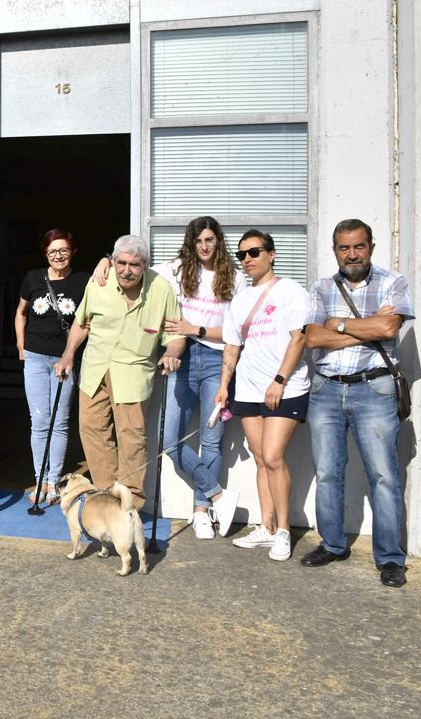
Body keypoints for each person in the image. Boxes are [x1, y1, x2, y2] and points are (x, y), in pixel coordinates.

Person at [96, 217, 245, 537]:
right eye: (198, 241)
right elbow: (133, 263)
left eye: (209, 240)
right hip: (183, 357)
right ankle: (218, 494)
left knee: (211, 441)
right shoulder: (174, 270)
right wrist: (105, 261)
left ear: (218, 241)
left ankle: (202, 510)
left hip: (218, 361)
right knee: (169, 441)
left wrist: (198, 329)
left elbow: (236, 333)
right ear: (191, 244)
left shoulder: (233, 279)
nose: (204, 247)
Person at [301, 219, 414, 587]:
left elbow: (388, 330)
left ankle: (391, 559)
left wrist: (338, 324)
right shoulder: (320, 288)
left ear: (371, 246)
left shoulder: (392, 282)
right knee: (327, 472)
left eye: (359, 246)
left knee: (383, 476)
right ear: (335, 250)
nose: (352, 254)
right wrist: (361, 327)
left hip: (375, 390)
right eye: (344, 248)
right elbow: (313, 339)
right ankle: (332, 544)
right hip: (327, 390)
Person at [59, 235, 183, 511]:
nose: (127, 270)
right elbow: (81, 324)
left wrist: (172, 353)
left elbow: (176, 335)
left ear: (146, 265)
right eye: (121, 263)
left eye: (135, 265)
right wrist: (68, 354)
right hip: (95, 369)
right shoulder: (99, 282)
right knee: (92, 430)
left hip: (133, 373)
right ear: (112, 261)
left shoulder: (161, 289)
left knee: (132, 439)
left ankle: (129, 506)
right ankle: (105, 496)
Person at [214, 229, 310, 563]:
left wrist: (280, 380)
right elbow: (232, 345)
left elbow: (299, 338)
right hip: (249, 388)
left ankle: (284, 530)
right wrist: (225, 385)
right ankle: (266, 526)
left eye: (254, 252)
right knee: (259, 457)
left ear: (271, 254)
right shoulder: (240, 299)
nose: (247, 260)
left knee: (272, 456)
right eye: (242, 255)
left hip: (285, 387)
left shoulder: (290, 291)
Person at [14, 228, 89, 506]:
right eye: (52, 251)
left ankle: (53, 482)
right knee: (39, 421)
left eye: (64, 250)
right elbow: (21, 313)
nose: (58, 256)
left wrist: (70, 354)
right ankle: (39, 479)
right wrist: (21, 345)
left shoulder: (83, 281)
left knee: (59, 422)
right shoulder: (33, 278)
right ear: (46, 253)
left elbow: (87, 321)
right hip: (34, 357)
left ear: (73, 252)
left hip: (64, 360)